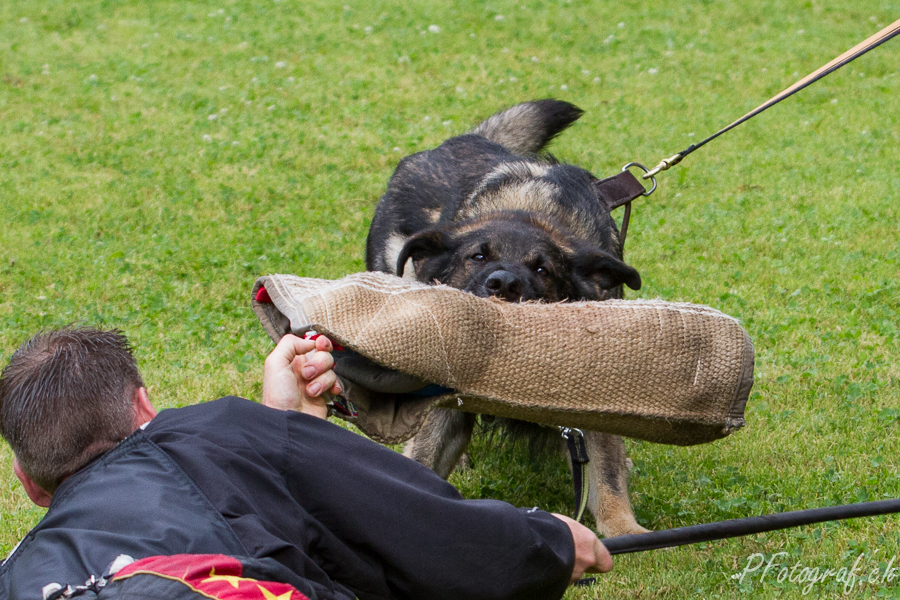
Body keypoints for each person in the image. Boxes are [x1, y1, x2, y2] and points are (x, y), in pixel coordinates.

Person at [0, 327, 612, 600]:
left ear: (29, 486)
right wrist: (549, 541)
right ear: (145, 406)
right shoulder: (212, 432)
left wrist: (284, 426)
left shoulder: (19, 570)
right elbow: (424, 534)